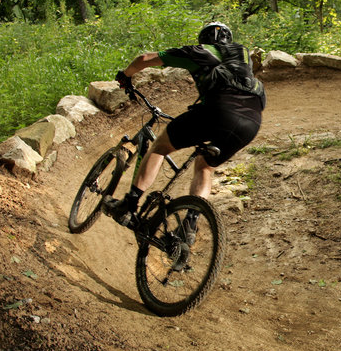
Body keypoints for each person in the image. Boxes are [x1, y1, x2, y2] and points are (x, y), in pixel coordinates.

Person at [104, 21, 265, 237]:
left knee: (160, 146)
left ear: (204, 39)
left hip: (218, 111)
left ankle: (130, 203)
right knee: (205, 166)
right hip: (251, 121)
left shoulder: (197, 51)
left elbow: (144, 59)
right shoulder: (242, 54)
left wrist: (126, 76)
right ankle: (190, 224)